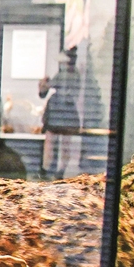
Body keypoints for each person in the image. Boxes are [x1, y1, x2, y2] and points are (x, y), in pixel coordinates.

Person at [39, 47, 82, 178]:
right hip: (58, 111)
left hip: (63, 111)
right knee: (54, 143)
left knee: (63, 144)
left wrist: (46, 85)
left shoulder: (71, 75)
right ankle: (50, 169)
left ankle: (56, 170)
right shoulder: (65, 74)